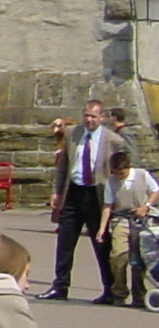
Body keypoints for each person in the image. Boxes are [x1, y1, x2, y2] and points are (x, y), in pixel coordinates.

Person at [46, 100, 127, 301]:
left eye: (93, 116)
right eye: (86, 115)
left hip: (97, 195)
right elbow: (62, 165)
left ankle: (109, 290)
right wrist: (56, 192)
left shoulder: (113, 140)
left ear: (101, 118)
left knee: (101, 244)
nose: (89, 119)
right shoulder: (72, 133)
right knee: (65, 243)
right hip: (73, 192)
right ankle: (60, 286)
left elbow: (122, 170)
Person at [102, 149, 157, 305]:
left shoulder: (141, 175)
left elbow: (155, 191)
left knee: (139, 259)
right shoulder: (111, 181)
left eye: (122, 173)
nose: (119, 176)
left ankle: (139, 295)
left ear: (128, 167)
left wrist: (145, 206)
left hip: (142, 220)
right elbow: (107, 205)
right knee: (118, 255)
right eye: (116, 173)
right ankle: (119, 292)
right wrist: (101, 228)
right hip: (121, 219)